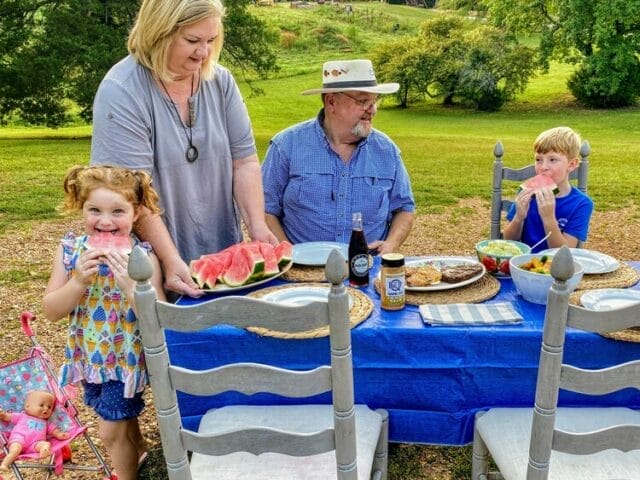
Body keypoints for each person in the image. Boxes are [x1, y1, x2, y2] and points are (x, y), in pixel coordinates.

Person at [90, 0, 277, 297]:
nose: (203, 53)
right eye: (192, 41)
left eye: (211, 41)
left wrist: (256, 226)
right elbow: (131, 194)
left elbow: (244, 162)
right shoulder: (122, 90)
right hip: (149, 261)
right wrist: (170, 259)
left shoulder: (221, 82)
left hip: (220, 243)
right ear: (158, 33)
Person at [43, 165, 165, 480]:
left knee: (110, 432)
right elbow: (51, 310)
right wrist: (78, 282)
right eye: (94, 210)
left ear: (136, 213)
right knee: (119, 421)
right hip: (89, 357)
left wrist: (131, 287)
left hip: (125, 363)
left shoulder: (143, 256)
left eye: (117, 211)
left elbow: (160, 315)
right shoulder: (70, 251)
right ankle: (139, 451)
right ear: (80, 208)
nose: (106, 221)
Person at [261, 59, 415, 255]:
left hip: (367, 267)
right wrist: (287, 253)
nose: (373, 109)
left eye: (374, 101)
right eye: (362, 101)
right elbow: (265, 210)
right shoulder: (286, 146)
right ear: (331, 102)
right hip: (301, 269)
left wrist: (391, 245)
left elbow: (404, 208)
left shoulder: (387, 151)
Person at [503, 126, 594, 252]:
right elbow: (508, 242)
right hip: (523, 263)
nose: (543, 167)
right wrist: (519, 217)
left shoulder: (582, 203)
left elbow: (565, 253)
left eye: (552, 159)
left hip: (556, 268)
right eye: (538, 160)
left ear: (572, 164)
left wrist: (549, 218)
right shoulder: (527, 193)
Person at [0, 390, 69, 471]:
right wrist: (3, 415)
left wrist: (59, 435)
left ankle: (44, 451)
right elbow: (7, 417)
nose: (46, 408)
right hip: (19, 438)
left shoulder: (46, 423)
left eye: (49, 407)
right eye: (41, 405)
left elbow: (54, 431)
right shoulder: (22, 416)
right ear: (27, 407)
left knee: (45, 444)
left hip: (35, 443)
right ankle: (5, 464)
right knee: (15, 449)